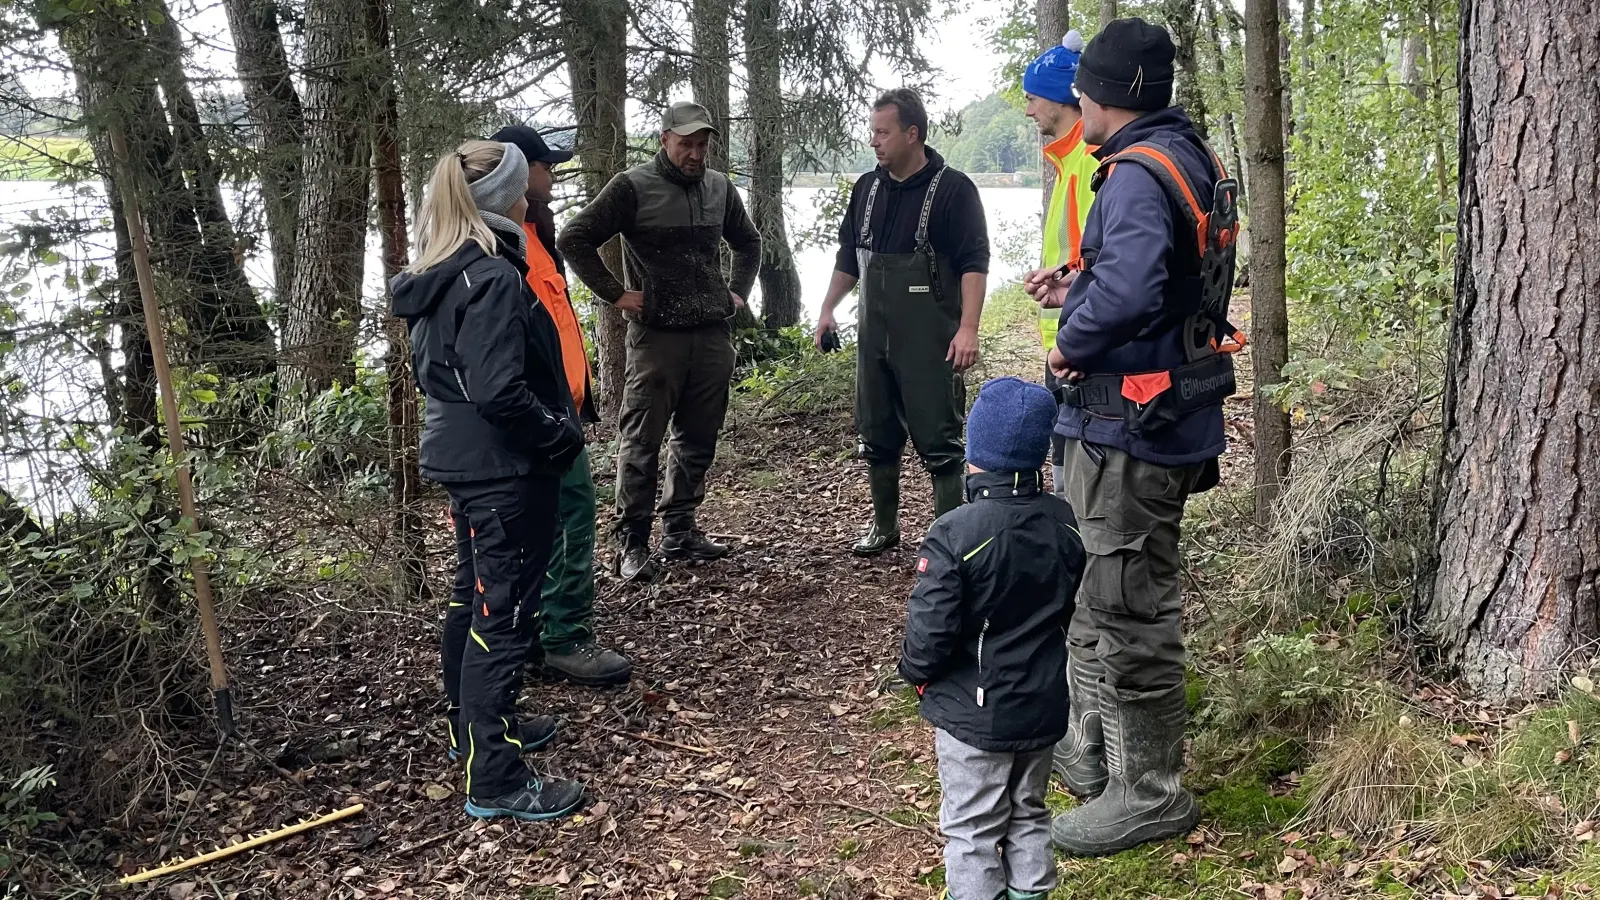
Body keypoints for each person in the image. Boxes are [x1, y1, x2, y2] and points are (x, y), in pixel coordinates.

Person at [1025, 18, 1238, 856]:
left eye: (1083, 86)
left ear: (1107, 94)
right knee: (1094, 584)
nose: (1075, 97)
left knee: (1128, 603)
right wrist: (1078, 275)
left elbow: (1138, 284)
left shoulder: (1138, 173)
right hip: (1143, 417)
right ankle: (1089, 750)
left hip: (1133, 426)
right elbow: (1163, 275)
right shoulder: (1183, 156)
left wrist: (1070, 343)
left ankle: (1150, 792)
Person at [391, 140, 585, 821]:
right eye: (521, 185)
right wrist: (560, 435)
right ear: (506, 197)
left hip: (464, 462)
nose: (533, 192)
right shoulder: (494, 277)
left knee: (470, 601)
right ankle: (496, 776)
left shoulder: (442, 269)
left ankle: (474, 731)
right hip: (503, 470)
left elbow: (441, 375)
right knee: (500, 616)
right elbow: (502, 392)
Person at [558, 101, 762, 582]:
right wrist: (617, 295)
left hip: (711, 334)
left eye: (703, 144)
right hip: (657, 339)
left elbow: (748, 242)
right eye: (686, 143)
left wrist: (737, 292)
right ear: (665, 140)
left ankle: (680, 529)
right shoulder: (634, 187)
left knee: (698, 438)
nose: (695, 154)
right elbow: (575, 238)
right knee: (642, 441)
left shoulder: (718, 188)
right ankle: (631, 541)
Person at [898, 377, 1085, 900]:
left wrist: (914, 674)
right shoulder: (1063, 521)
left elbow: (930, 630)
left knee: (971, 825)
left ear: (975, 455)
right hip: (1043, 702)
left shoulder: (957, 532)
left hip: (974, 710)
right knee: (1028, 811)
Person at [815, 88, 991, 556]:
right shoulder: (867, 190)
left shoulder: (953, 189)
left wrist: (968, 327)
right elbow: (849, 258)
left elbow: (975, 262)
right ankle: (885, 528)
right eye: (872, 131)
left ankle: (950, 540)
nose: (874, 141)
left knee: (941, 441)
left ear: (912, 134)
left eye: (882, 132)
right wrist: (828, 307)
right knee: (876, 433)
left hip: (931, 338)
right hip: (875, 338)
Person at [489, 124, 633, 687]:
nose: (552, 174)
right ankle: (565, 636)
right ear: (519, 172)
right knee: (571, 518)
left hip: (558, 408)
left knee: (549, 524)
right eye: (544, 165)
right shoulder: (499, 244)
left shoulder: (533, 232)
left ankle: (534, 635)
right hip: (539, 415)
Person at [1023, 29, 1098, 501]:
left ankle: (1080, 563)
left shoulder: (1089, 161)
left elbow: (1107, 264)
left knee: (1078, 471)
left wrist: (1079, 338)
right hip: (1069, 339)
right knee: (1063, 456)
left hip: (1083, 346)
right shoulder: (1069, 160)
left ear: (1058, 99)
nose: (1029, 110)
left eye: (1033, 98)